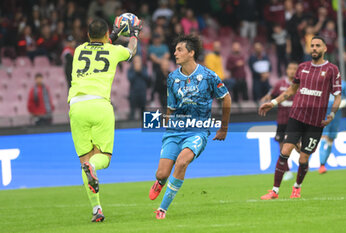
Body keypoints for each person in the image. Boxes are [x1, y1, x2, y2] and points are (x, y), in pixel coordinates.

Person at [149, 34, 231, 219]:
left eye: (180, 50)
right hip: (175, 131)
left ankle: (162, 209)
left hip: (198, 130)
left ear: (191, 53)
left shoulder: (208, 76)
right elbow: (170, 106)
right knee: (161, 173)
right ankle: (160, 182)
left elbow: (226, 98)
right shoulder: (172, 78)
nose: (175, 53)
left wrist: (224, 127)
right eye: (175, 49)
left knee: (182, 162)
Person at [67, 17, 142, 222]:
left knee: (85, 160)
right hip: (99, 105)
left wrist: (112, 34)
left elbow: (100, 43)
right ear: (107, 35)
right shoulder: (114, 50)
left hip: (76, 105)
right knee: (103, 159)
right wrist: (133, 33)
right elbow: (131, 50)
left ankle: (97, 209)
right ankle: (92, 168)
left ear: (88, 35)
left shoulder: (79, 50)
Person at [259, 36, 342, 199]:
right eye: (312, 45)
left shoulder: (332, 70)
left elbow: (337, 96)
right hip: (296, 117)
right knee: (285, 150)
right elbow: (291, 90)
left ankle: (297, 187)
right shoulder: (302, 67)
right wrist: (273, 102)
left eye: (318, 45)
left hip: (316, 122)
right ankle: (274, 190)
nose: (314, 48)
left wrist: (332, 114)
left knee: (304, 157)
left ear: (325, 49)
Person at [260, 62, 299, 181]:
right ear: (287, 70)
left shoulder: (300, 85)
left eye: (294, 69)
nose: (292, 71)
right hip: (282, 121)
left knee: (299, 147)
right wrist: (266, 98)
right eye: (290, 68)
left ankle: (304, 165)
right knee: (282, 147)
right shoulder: (280, 83)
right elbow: (271, 94)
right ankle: (287, 171)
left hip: (296, 121)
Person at [319, 80, 346, 174]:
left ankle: (323, 164)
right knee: (324, 138)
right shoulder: (321, 82)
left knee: (330, 140)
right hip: (324, 114)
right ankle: (321, 165)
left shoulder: (343, 84)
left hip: (336, 115)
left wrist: (345, 102)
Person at [127, 55, 150, 120]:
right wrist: (135, 71)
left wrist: (140, 71)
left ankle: (143, 125)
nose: (137, 63)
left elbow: (147, 78)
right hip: (133, 92)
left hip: (142, 92)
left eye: (138, 61)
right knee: (132, 110)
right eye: (136, 61)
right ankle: (131, 126)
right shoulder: (130, 69)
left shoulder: (144, 68)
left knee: (143, 109)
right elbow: (130, 79)